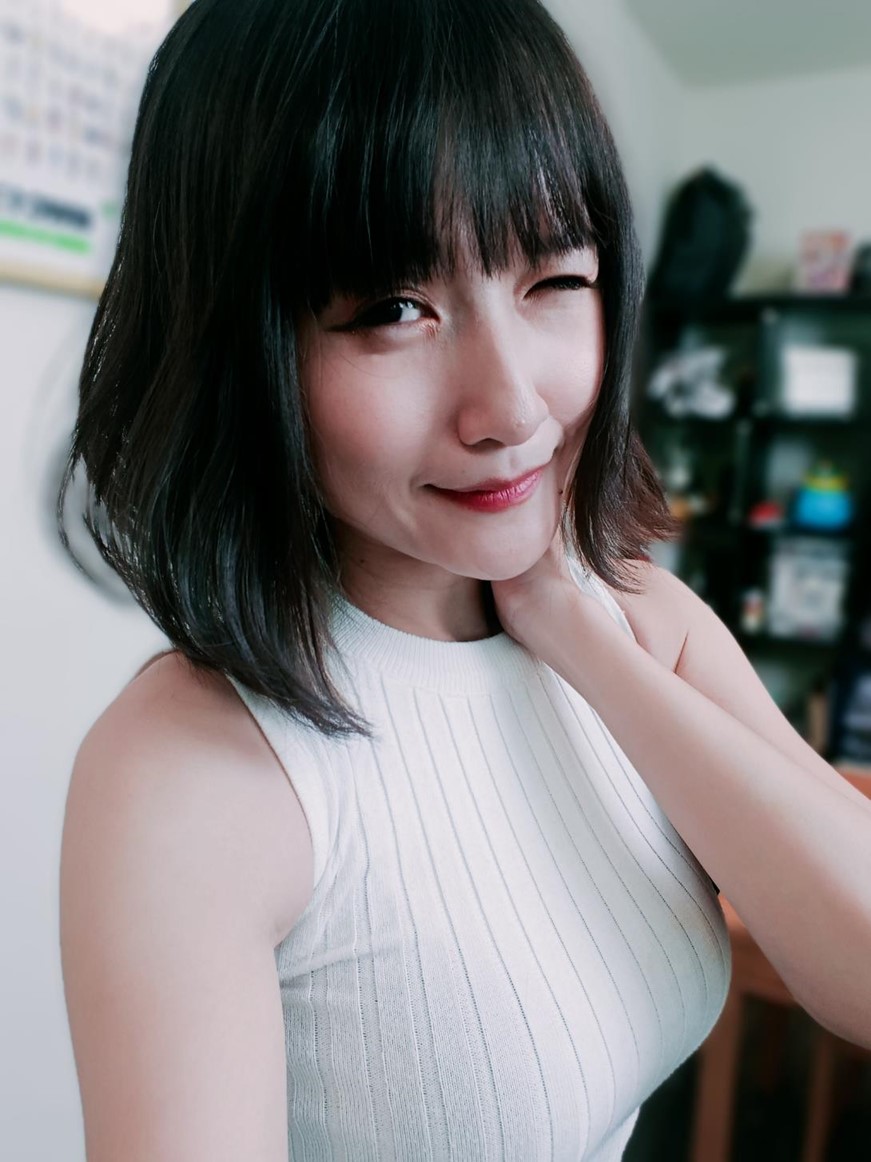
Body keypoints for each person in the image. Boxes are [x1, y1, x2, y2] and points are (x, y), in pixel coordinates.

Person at [56, 1, 871, 1159]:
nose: (513, 406)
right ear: (237, 342)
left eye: (554, 279)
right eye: (395, 309)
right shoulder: (190, 773)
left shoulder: (632, 612)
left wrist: (573, 632)